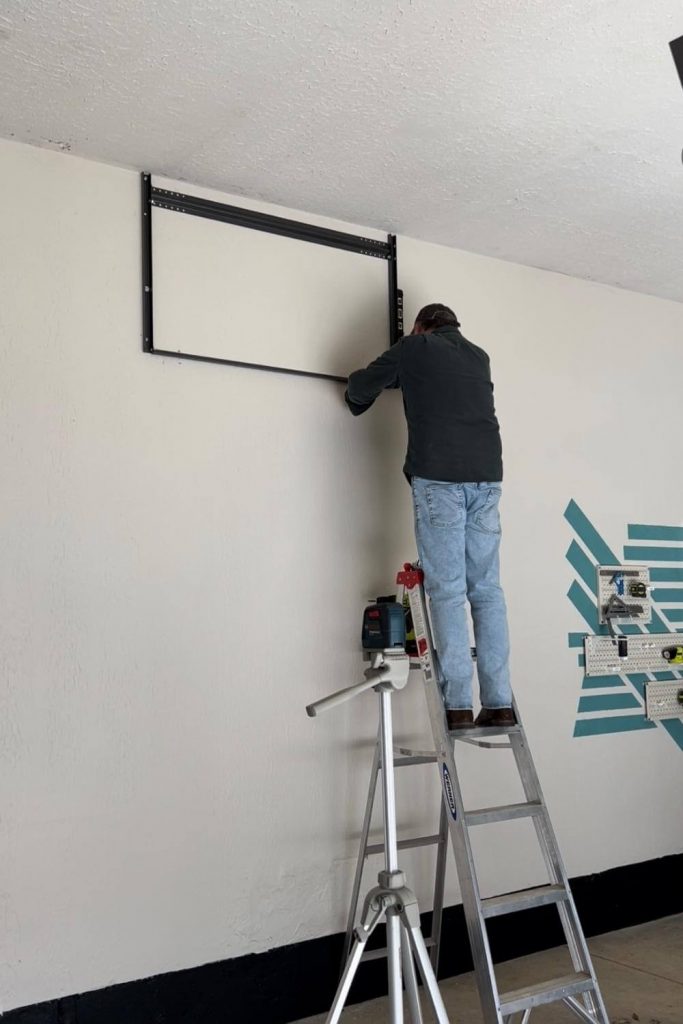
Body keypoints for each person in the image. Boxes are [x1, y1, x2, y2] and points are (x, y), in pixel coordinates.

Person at [345, 303, 513, 730]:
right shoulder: (479, 356)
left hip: (440, 481)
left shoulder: (414, 347)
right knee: (487, 590)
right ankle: (498, 701)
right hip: (487, 480)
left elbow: (362, 387)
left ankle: (457, 703)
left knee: (448, 592)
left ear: (420, 327)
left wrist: (356, 396)